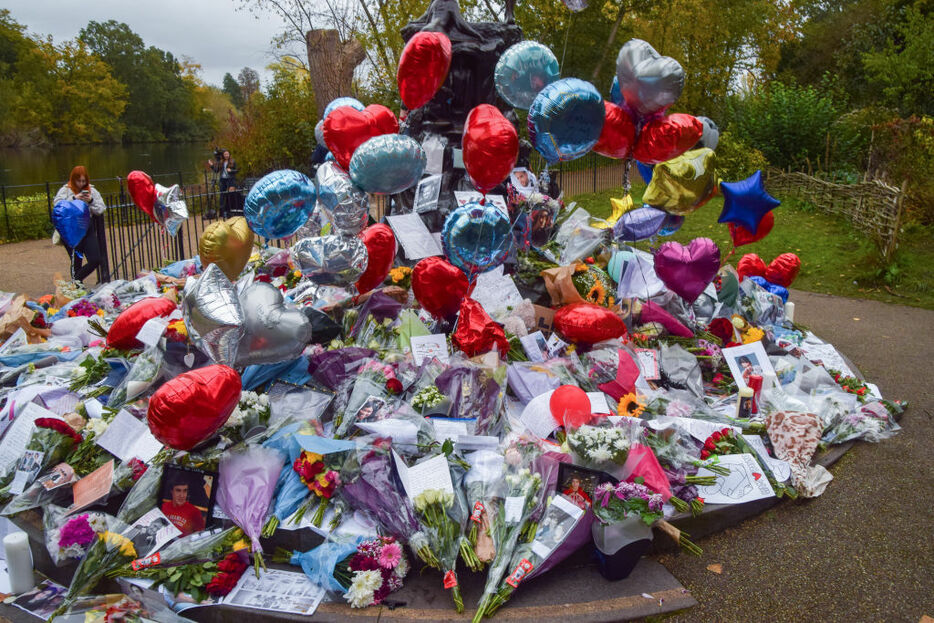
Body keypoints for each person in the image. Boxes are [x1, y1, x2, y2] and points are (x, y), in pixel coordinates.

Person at [53, 166, 106, 282]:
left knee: (95, 259)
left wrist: (91, 201)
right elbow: (58, 207)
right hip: (71, 229)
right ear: (73, 179)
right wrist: (74, 198)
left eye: (83, 181)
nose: (81, 184)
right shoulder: (65, 190)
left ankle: (74, 282)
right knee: (76, 261)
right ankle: (77, 289)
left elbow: (101, 209)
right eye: (78, 181)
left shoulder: (92, 191)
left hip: (87, 227)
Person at [208, 150, 238, 218]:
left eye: (227, 154)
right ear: (223, 155)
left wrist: (231, 170)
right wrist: (212, 165)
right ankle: (222, 212)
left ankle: (230, 211)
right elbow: (216, 170)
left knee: (230, 195)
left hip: (230, 180)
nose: (226, 155)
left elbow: (236, 170)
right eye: (225, 154)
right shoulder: (221, 162)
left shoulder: (232, 161)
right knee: (222, 195)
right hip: (223, 180)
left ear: (229, 155)